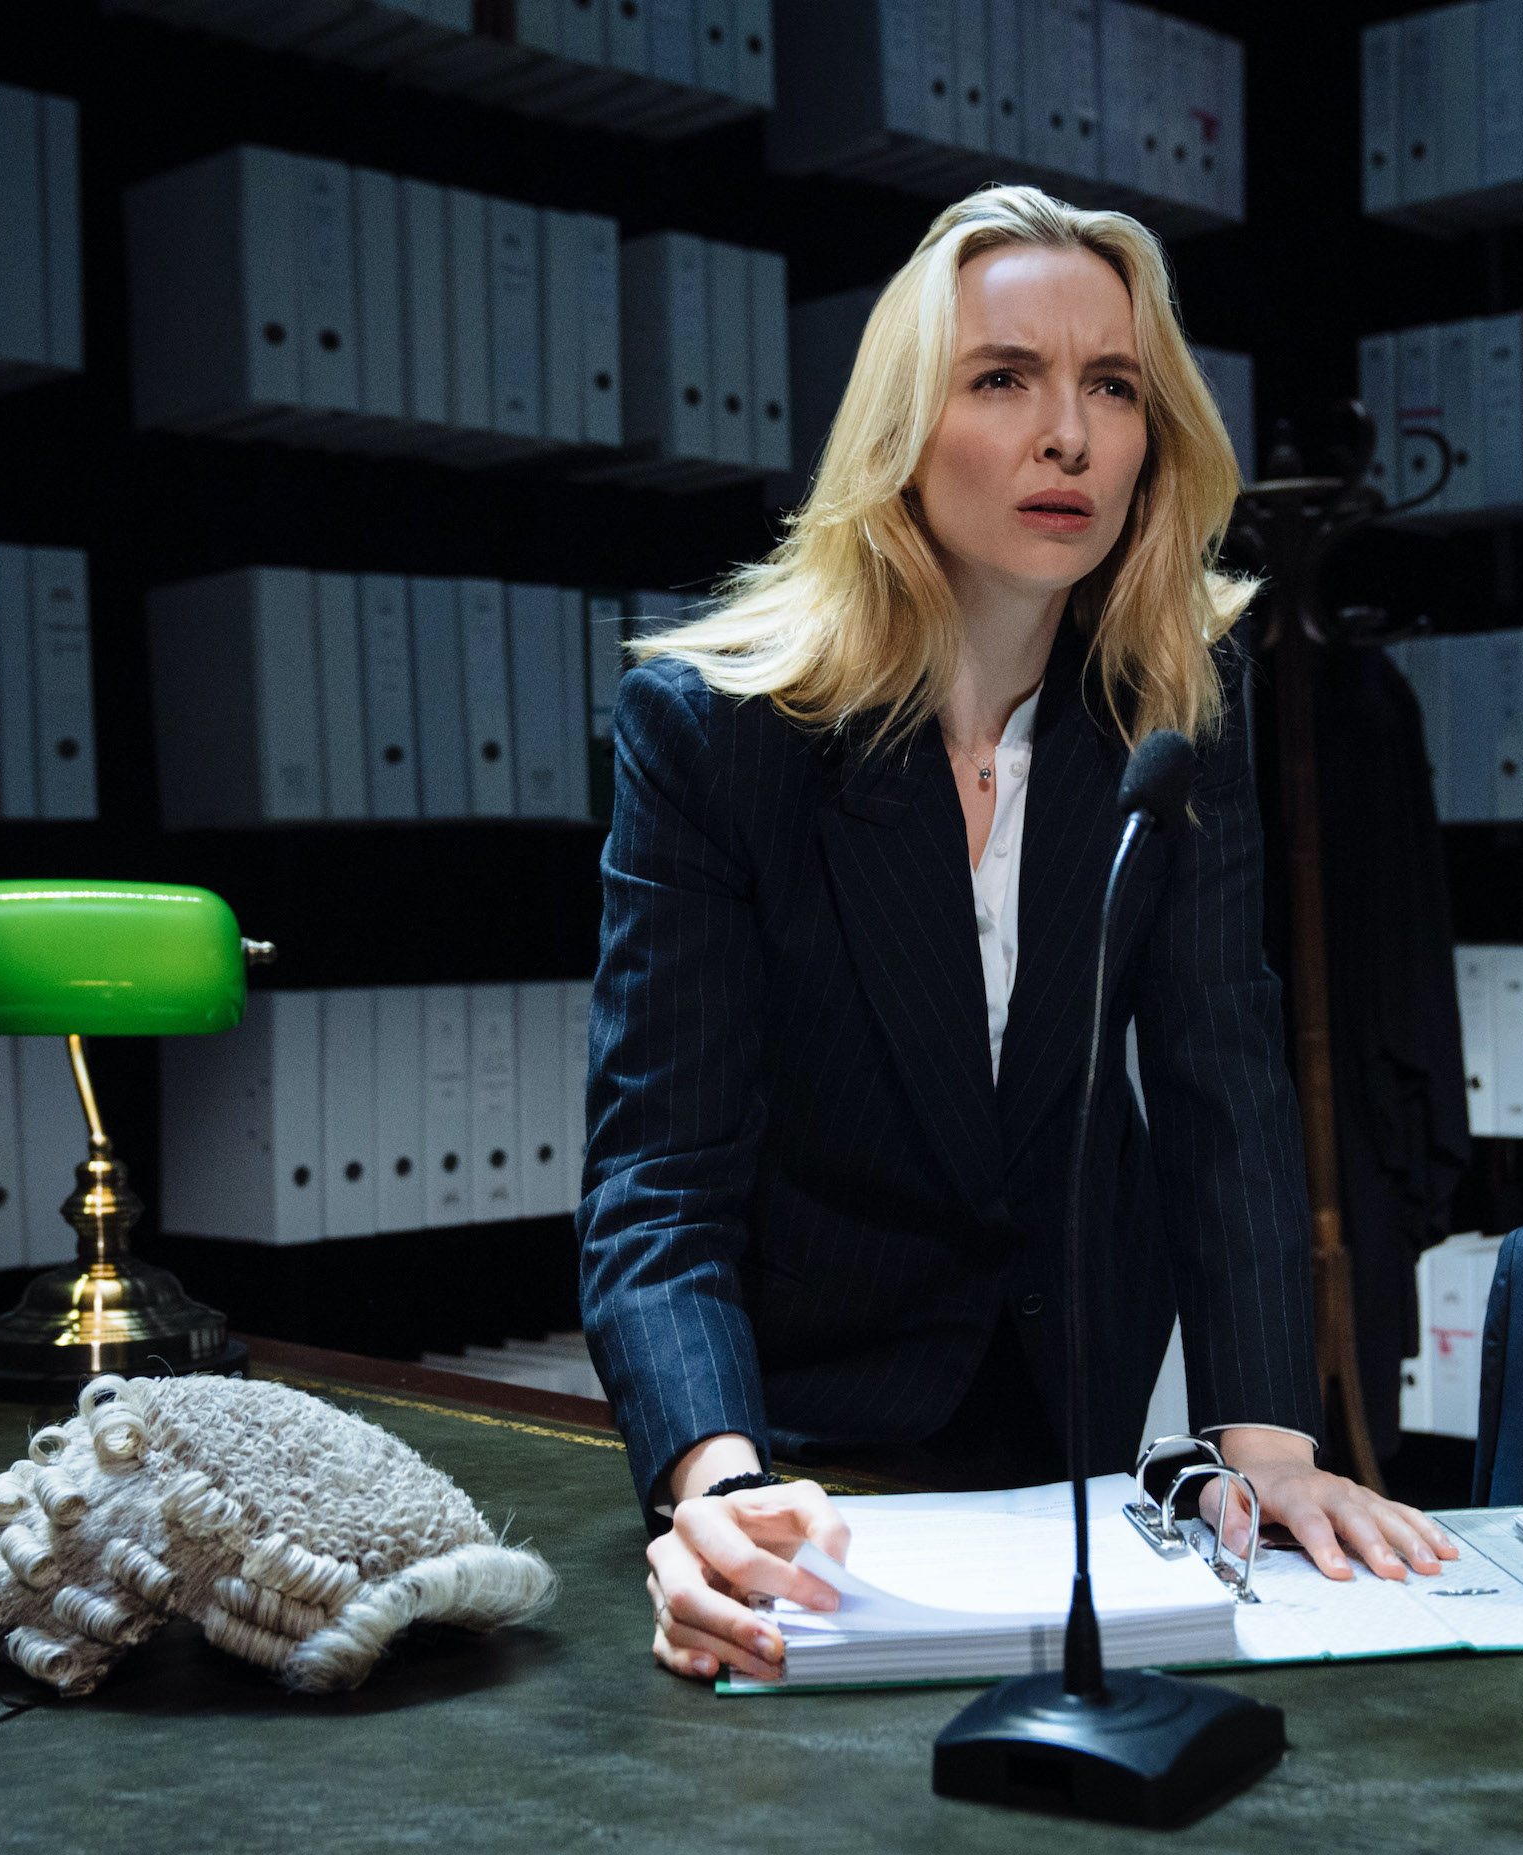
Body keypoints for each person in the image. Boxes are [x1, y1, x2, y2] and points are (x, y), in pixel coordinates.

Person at [579, 185, 1457, 1684]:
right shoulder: (716, 734)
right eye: (1003, 379)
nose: (1070, 436)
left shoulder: (1172, 707)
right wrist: (715, 1481)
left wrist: (1270, 1439)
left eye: (1112, 387)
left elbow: (1222, 1078)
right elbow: (662, 1176)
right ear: (902, 430)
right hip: (802, 1425)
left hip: (1068, 1410)